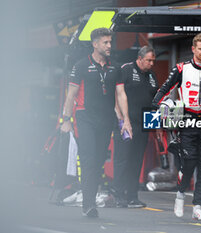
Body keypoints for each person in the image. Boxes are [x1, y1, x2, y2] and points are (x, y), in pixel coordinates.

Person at [152, 33, 201, 221]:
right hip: (187, 119)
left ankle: (198, 206)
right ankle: (180, 195)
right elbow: (165, 89)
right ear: (193, 49)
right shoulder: (181, 68)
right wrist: (158, 106)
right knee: (189, 161)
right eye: (200, 49)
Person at [60, 28, 132, 218]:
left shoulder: (115, 67)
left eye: (110, 42)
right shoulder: (81, 65)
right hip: (85, 118)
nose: (109, 45)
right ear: (95, 44)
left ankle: (89, 199)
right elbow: (71, 95)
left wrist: (126, 121)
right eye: (105, 42)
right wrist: (66, 119)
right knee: (88, 159)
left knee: (98, 161)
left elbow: (121, 95)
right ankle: (88, 204)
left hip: (106, 119)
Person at [112, 46, 159, 208]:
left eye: (153, 60)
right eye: (149, 60)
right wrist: (121, 119)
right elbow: (116, 95)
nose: (152, 63)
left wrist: (156, 126)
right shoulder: (126, 69)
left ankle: (132, 196)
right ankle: (118, 195)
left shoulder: (152, 76)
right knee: (122, 159)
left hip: (143, 125)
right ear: (139, 59)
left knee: (136, 161)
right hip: (126, 123)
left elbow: (154, 101)